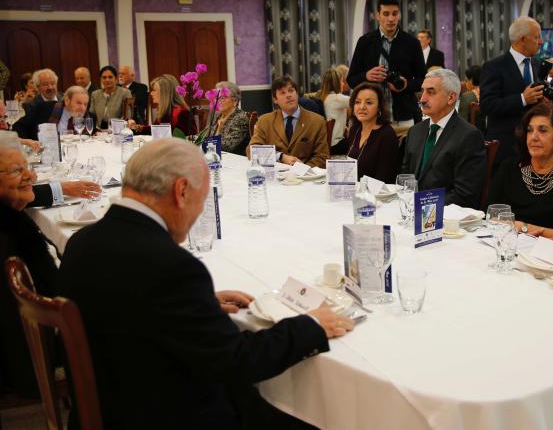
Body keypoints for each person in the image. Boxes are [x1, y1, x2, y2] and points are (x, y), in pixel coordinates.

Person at [58, 138, 353, 428]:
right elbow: (236, 361)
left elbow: (126, 305)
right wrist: (310, 325)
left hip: (108, 403)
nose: (200, 212)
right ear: (182, 191)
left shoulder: (81, 243)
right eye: (202, 200)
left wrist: (198, 306)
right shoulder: (172, 267)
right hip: (164, 414)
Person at [0, 132, 60, 399]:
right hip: (34, 345)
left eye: (27, 167)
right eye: (16, 170)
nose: (30, 176)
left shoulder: (13, 219)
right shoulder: (7, 236)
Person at [487, 104, 553, 246]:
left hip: (548, 256)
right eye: (529, 130)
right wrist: (540, 231)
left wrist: (522, 227)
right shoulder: (509, 168)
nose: (534, 137)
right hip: (503, 246)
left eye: (543, 130)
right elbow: (491, 216)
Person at [401, 69, 486, 208]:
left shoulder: (469, 136)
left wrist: (423, 205)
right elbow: (405, 178)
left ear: (451, 98)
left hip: (446, 219)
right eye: (422, 91)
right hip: (411, 212)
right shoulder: (415, 131)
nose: (422, 98)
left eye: (431, 92)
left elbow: (465, 194)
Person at [348, 0, 426, 127]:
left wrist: (406, 85)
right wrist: (366, 76)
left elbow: (423, 80)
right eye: (386, 14)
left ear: (399, 15)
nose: (391, 19)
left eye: (394, 14)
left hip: (403, 116)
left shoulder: (411, 43)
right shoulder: (365, 42)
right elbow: (351, 79)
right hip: (372, 118)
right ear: (377, 16)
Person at [480, 16, 545, 167]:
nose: (540, 41)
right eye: (536, 37)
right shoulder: (494, 66)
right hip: (506, 142)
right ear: (523, 39)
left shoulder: (536, 63)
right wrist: (522, 99)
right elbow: (487, 105)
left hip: (535, 140)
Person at [248, 76, 329, 167]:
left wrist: (300, 169)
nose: (288, 95)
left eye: (291, 91)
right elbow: (252, 151)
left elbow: (322, 157)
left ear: (297, 94)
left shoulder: (317, 121)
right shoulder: (265, 121)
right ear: (275, 100)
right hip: (275, 173)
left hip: (304, 177)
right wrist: (280, 157)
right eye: (282, 93)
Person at [344, 83, 399, 183]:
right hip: (351, 190)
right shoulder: (354, 130)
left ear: (379, 107)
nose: (362, 107)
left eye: (369, 103)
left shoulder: (387, 135)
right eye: (357, 102)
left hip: (376, 195)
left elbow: (385, 178)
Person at [13, 85, 90, 140]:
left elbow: (90, 135)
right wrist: (29, 143)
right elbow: (19, 126)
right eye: (79, 103)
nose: (83, 108)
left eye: (85, 104)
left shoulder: (87, 117)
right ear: (67, 101)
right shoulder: (45, 108)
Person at [128, 75, 194, 136]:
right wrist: (137, 127)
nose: (151, 93)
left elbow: (184, 139)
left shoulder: (182, 112)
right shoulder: (166, 110)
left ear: (164, 93)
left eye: (154, 90)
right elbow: (157, 130)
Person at [210, 81, 250, 155]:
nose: (218, 101)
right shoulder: (217, 116)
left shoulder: (240, 118)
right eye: (216, 97)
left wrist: (218, 130)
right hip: (217, 157)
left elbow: (227, 146)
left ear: (235, 100)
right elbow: (203, 136)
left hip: (235, 161)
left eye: (223, 97)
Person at [89, 65, 132, 130]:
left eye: (110, 77)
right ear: (101, 79)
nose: (107, 80)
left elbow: (127, 116)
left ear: (116, 78)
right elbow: (91, 115)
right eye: (104, 77)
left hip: (117, 130)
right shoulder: (95, 94)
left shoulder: (125, 93)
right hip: (98, 131)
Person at [318, 68, 351, 148]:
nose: (343, 84)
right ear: (337, 83)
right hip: (336, 143)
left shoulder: (322, 97)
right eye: (342, 81)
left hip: (326, 143)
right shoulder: (337, 98)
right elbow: (359, 101)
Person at [457, 65, 484, 130]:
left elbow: (461, 124)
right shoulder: (491, 93)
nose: (465, 83)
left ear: (471, 80)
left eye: (466, 80)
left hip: (473, 136)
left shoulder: (466, 97)